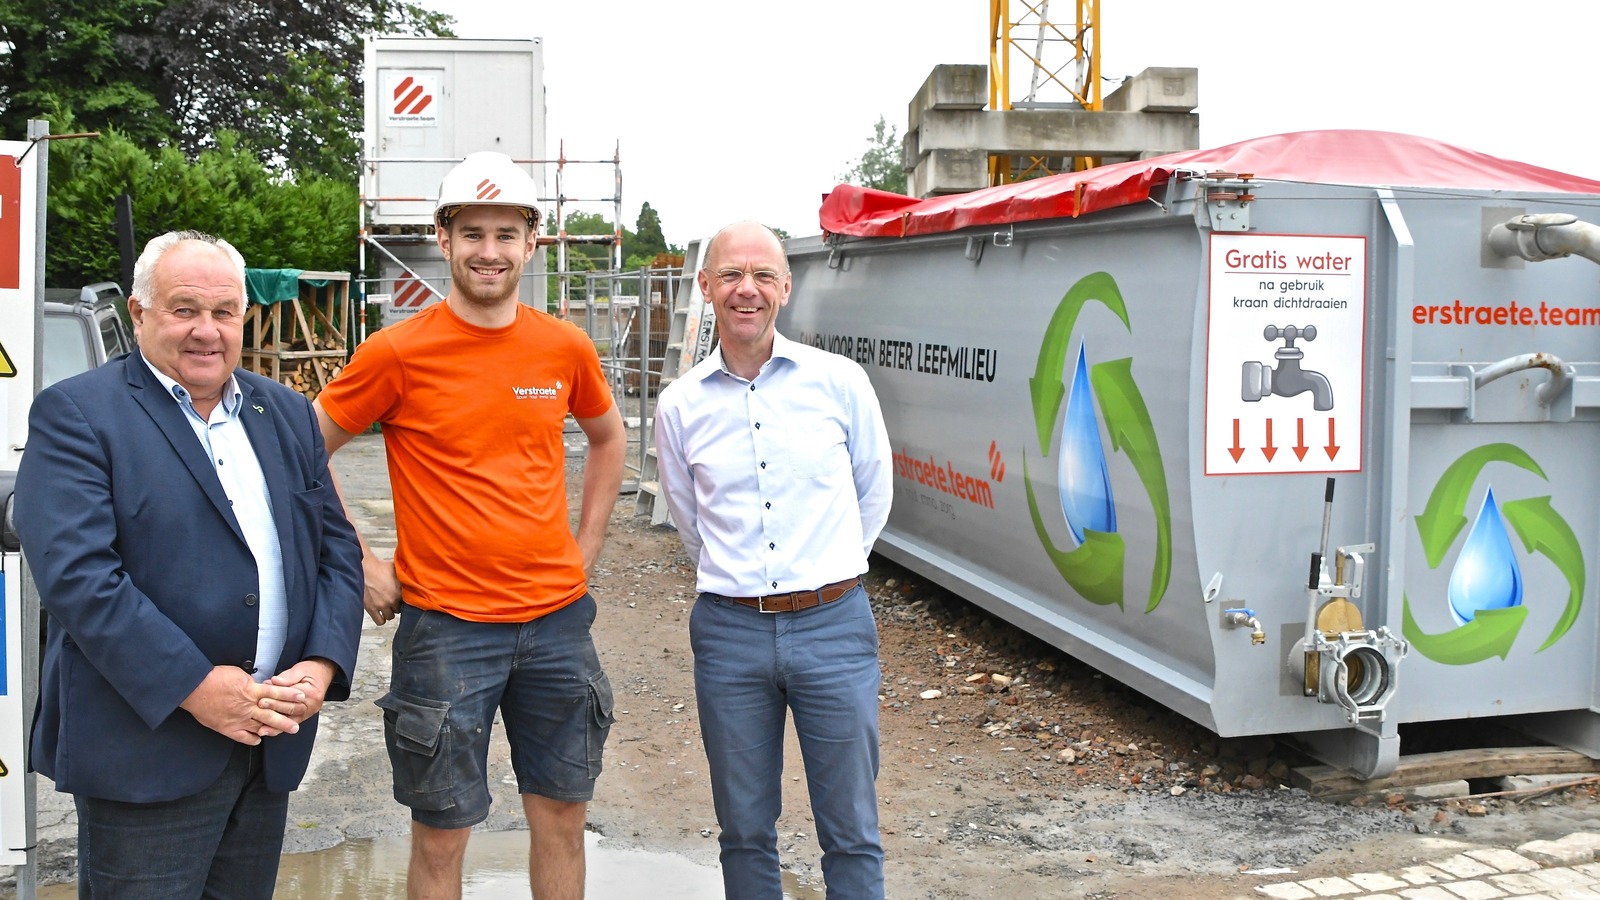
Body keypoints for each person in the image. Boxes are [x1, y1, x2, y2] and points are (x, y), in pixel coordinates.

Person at [313, 150, 626, 899]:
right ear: (443, 239)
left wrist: (585, 549)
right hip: (446, 629)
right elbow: (303, 450)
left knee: (560, 817)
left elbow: (610, 437)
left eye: (506, 233)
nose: (490, 250)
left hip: (557, 627)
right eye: (473, 232)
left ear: (532, 243)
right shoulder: (396, 352)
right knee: (442, 832)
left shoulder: (564, 346)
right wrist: (358, 560)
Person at [16, 230, 365, 897]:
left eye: (224, 312)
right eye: (184, 309)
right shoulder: (78, 415)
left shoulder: (286, 414)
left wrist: (321, 666)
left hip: (270, 743)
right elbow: (79, 578)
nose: (207, 331)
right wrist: (199, 689)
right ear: (140, 315)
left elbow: (336, 551)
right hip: (147, 751)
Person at [653, 220, 893, 898]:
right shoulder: (680, 406)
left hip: (834, 627)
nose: (746, 290)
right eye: (730, 275)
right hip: (730, 635)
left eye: (762, 275)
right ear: (706, 288)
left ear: (786, 287)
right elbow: (689, 518)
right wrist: (745, 584)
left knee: (851, 828)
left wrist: (828, 572)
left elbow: (873, 493)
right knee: (744, 830)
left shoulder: (839, 384)